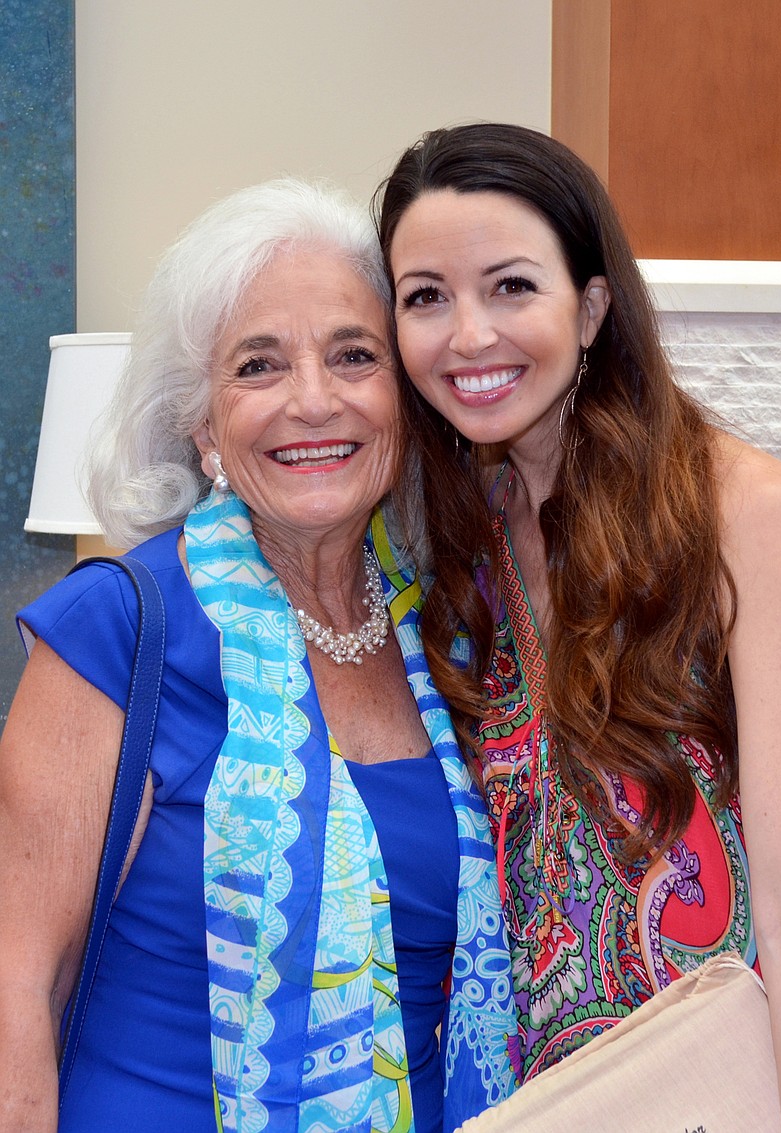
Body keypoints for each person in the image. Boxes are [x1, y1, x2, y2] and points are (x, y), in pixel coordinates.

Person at [0, 178, 518, 1133]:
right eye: (258, 366)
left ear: (402, 403)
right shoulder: (118, 632)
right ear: (204, 424)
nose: (312, 401)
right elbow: (13, 990)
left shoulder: (457, 641)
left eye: (354, 356)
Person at [376, 122, 781, 1131]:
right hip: (560, 1102)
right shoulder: (455, 555)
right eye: (426, 297)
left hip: (738, 1089)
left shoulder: (737, 512)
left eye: (510, 286)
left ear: (589, 305)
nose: (467, 335)